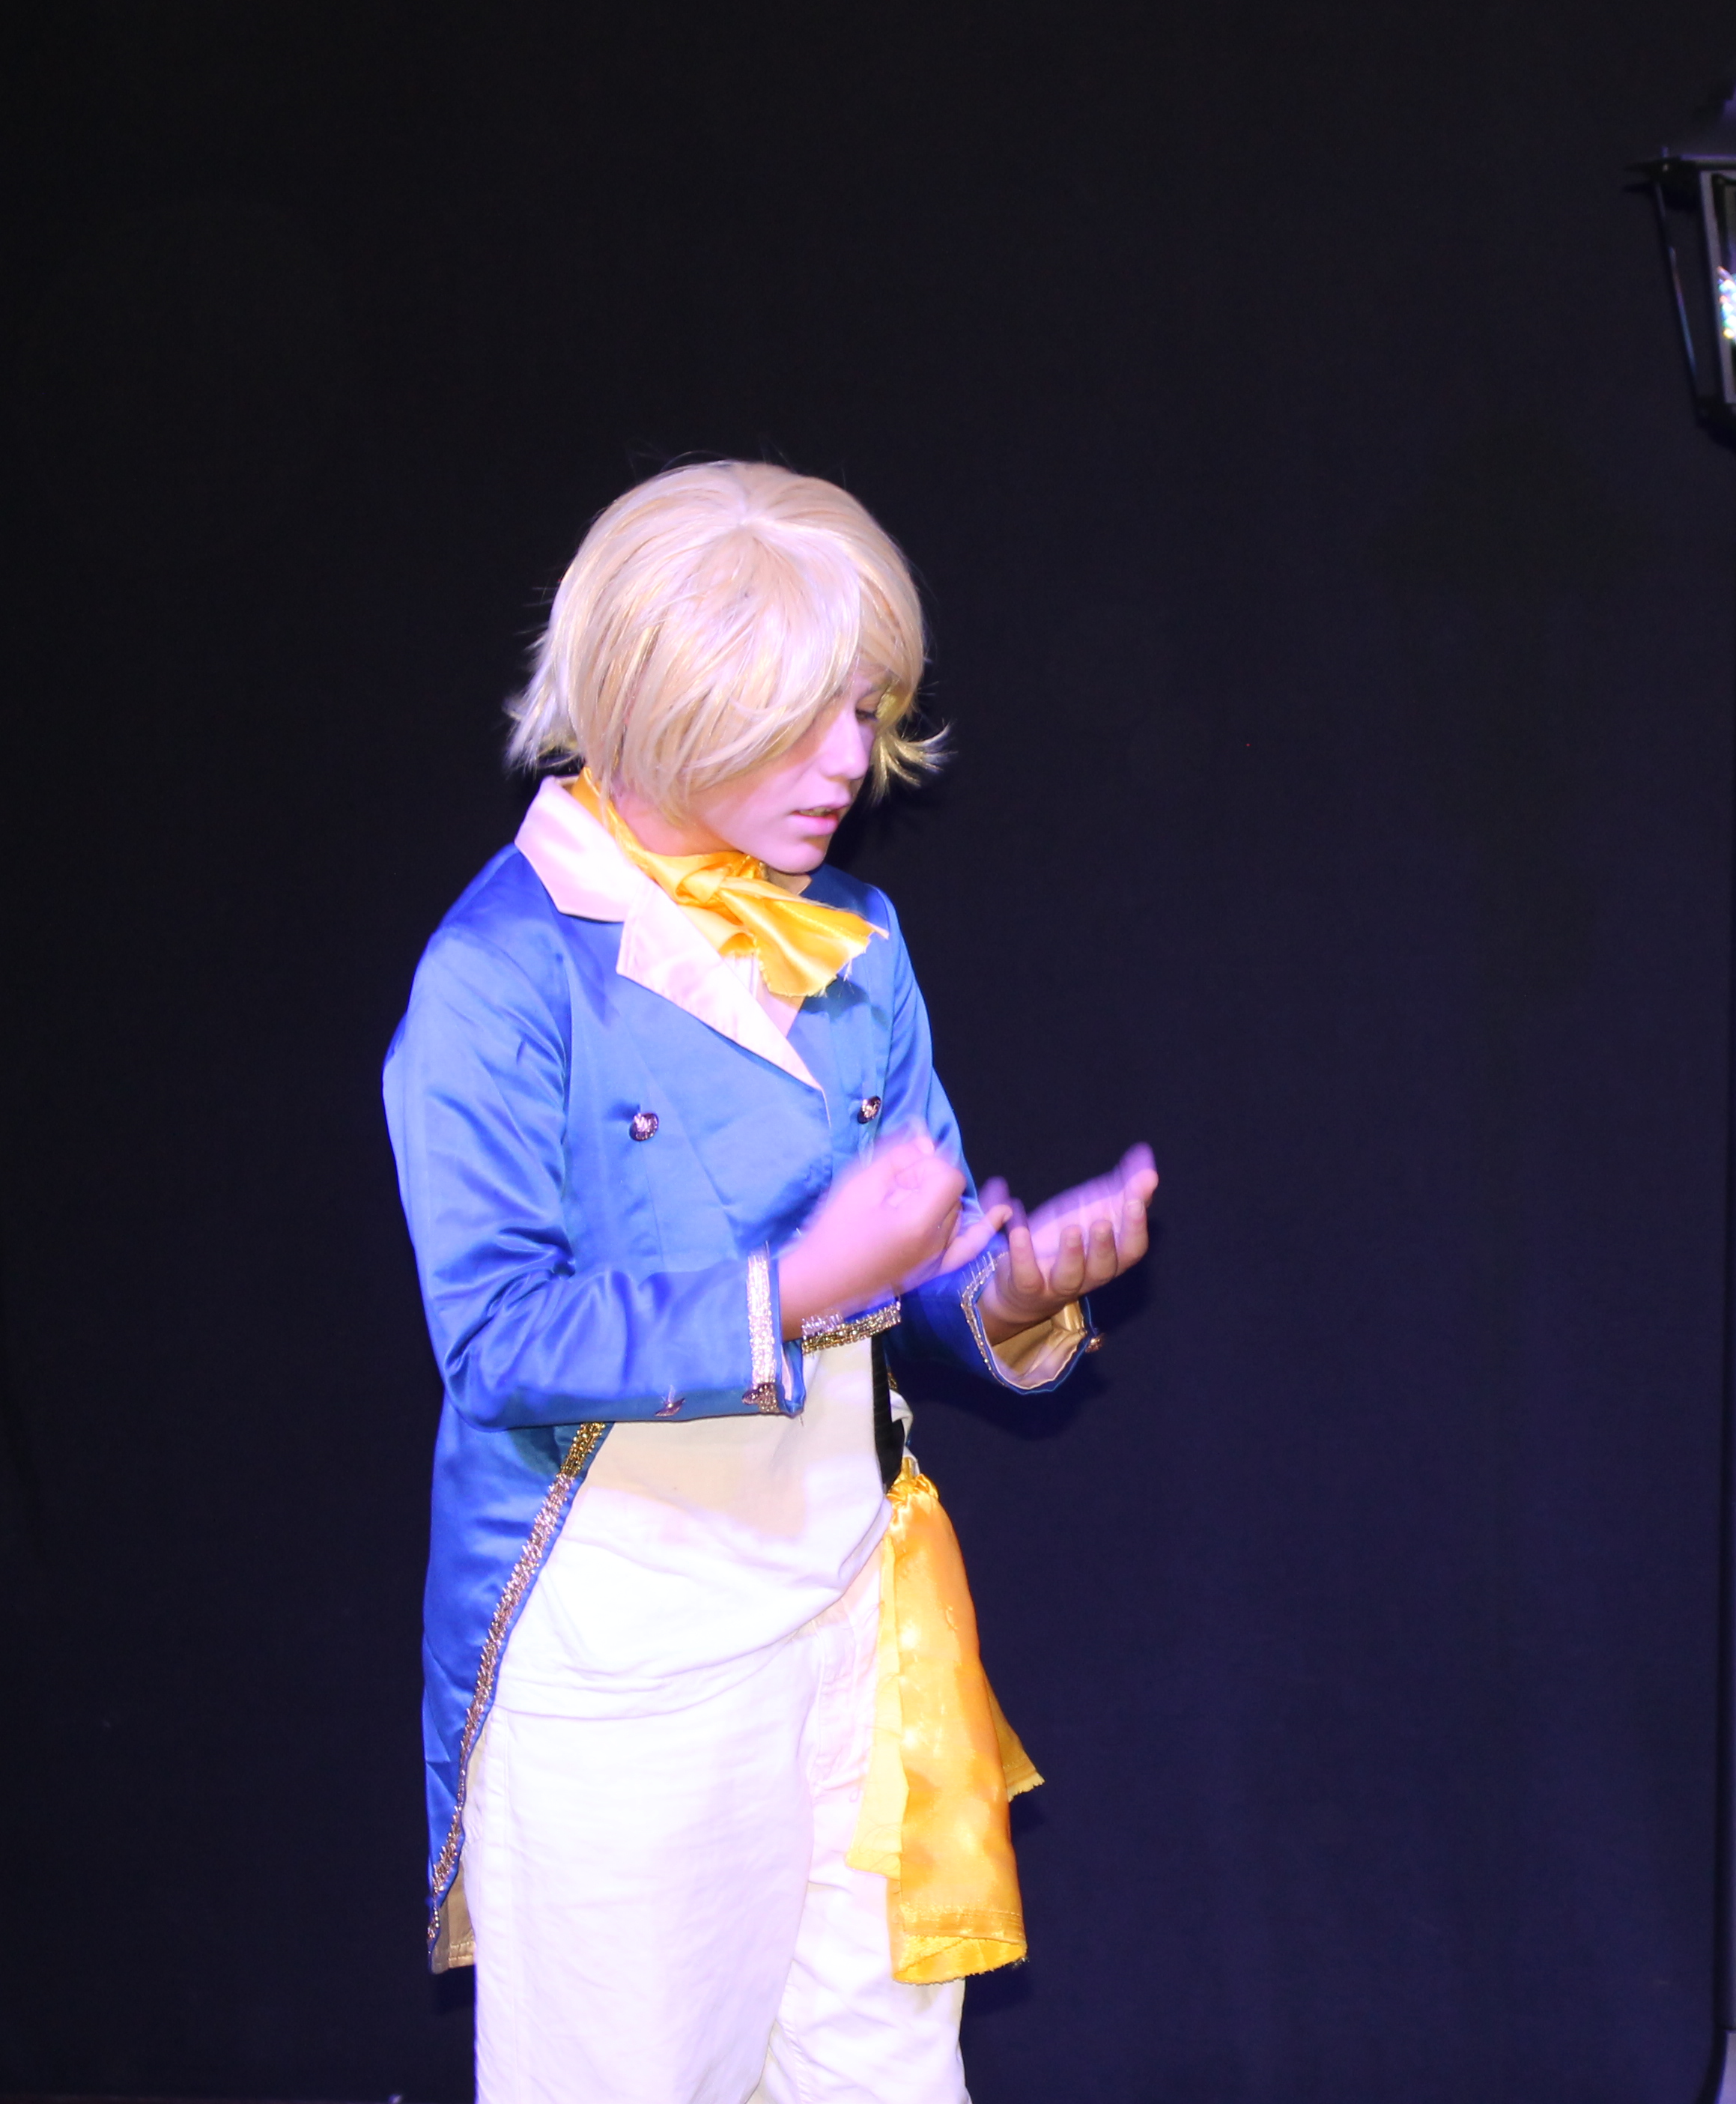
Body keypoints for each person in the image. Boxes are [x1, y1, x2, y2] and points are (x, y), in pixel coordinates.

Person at [383, 460, 1158, 2103]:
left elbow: (917, 1270)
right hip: (628, 1659)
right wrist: (795, 1284)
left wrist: (1014, 1285)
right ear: (665, 699)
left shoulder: (857, 939)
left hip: (852, 1615)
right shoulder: (500, 976)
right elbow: (499, 1337)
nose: (851, 765)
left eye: (866, 713)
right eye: (805, 718)